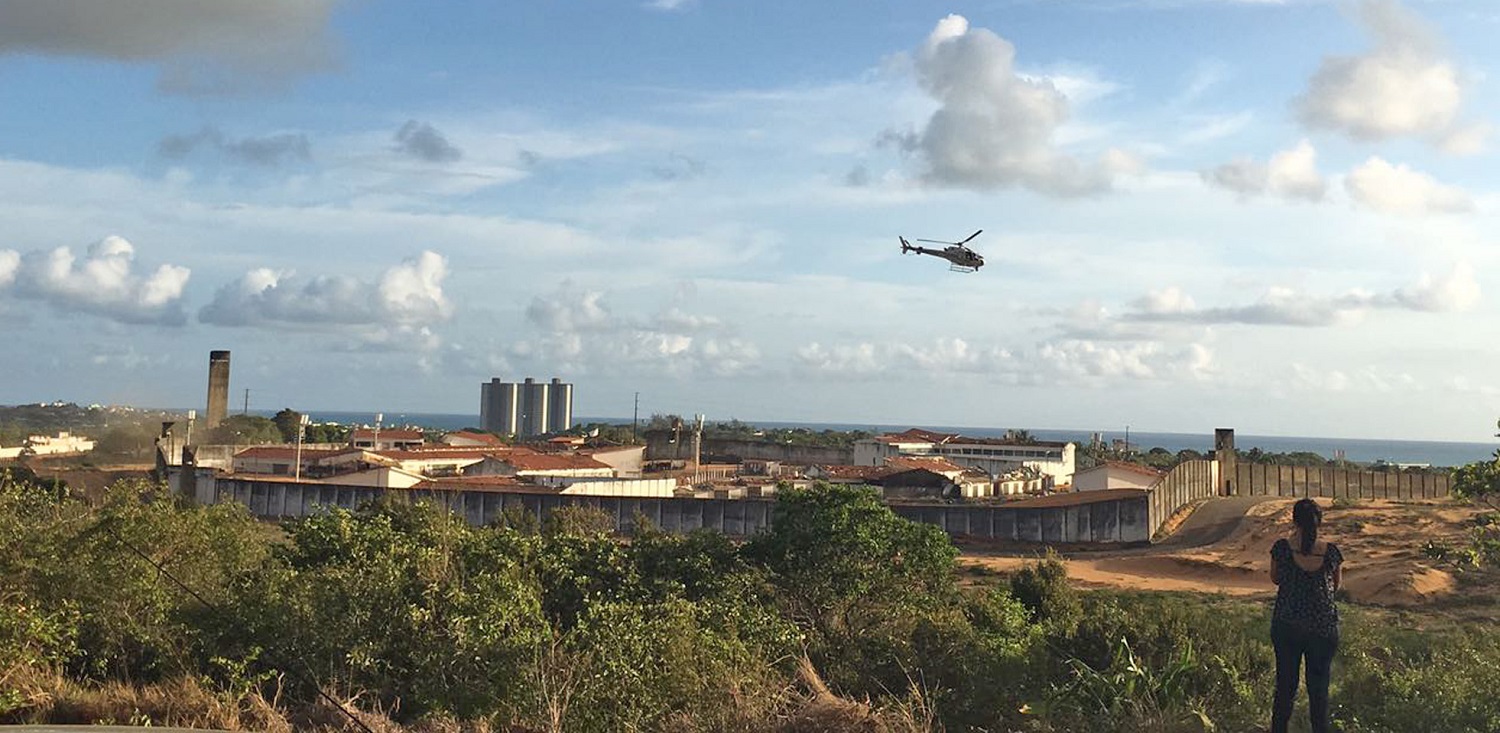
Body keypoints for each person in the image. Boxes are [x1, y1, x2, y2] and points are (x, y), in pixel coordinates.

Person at [1269, 498, 1343, 733]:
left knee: (1285, 687)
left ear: (1294, 520)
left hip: (1287, 625)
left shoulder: (1282, 548)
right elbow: (1335, 586)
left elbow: (1276, 578)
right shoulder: (1331, 552)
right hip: (1323, 628)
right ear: (1319, 522)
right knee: (1319, 691)